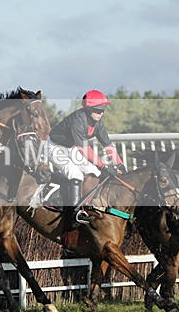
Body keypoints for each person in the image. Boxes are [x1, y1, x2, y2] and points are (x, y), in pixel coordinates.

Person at [46, 89, 126, 226]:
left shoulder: (98, 123)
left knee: (95, 173)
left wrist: (120, 164)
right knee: (76, 174)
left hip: (71, 147)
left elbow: (107, 145)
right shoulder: (78, 120)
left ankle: (89, 206)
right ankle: (74, 213)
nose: (101, 113)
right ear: (88, 109)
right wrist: (103, 165)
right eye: (98, 110)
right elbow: (84, 149)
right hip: (54, 146)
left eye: (103, 109)